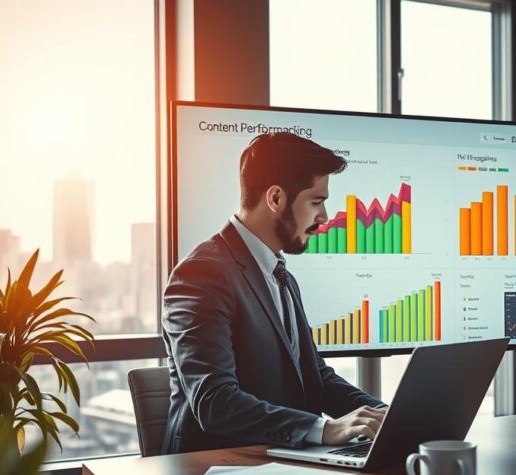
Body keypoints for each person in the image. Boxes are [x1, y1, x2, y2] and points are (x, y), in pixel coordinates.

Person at [161, 132, 387, 454]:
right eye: (317, 201)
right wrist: (325, 428)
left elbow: (315, 377)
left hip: (280, 464)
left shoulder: (280, 275)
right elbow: (215, 401)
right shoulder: (200, 275)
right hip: (212, 472)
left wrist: (385, 416)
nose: (324, 217)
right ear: (276, 198)